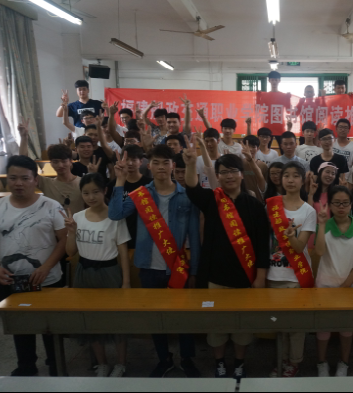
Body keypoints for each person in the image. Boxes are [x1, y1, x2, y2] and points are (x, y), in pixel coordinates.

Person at [108, 145, 202, 378]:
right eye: (156, 163)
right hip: (148, 267)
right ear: (149, 166)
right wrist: (120, 180)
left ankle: (187, 359)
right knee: (155, 317)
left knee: (184, 317)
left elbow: (194, 236)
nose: (161, 167)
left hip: (178, 266)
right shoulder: (141, 194)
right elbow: (115, 214)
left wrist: (194, 271)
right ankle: (163, 359)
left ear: (173, 166)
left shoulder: (185, 195)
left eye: (165, 162)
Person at [183, 139, 270, 381]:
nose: (229, 176)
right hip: (215, 277)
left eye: (233, 171)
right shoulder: (212, 200)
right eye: (223, 172)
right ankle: (220, 363)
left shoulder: (254, 206)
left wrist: (260, 277)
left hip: (245, 278)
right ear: (218, 176)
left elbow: (263, 244)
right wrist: (189, 164)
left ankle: (239, 363)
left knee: (242, 325)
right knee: (217, 325)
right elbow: (192, 189)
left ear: (241, 174)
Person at [0, 156, 67, 377]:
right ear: (7, 180)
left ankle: (56, 364)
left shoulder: (51, 206)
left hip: (47, 279)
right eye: (13, 178)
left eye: (24, 178)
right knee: (19, 326)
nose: (18, 183)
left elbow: (64, 240)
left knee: (51, 327)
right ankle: (26, 365)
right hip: (11, 280)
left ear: (35, 180)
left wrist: (46, 267)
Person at [62, 173, 131, 378]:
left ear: (105, 191)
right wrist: (72, 232)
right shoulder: (77, 217)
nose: (91, 197)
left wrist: (126, 282)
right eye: (86, 193)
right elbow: (70, 252)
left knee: (117, 321)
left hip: (109, 273)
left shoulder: (115, 217)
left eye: (95, 192)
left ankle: (121, 363)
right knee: (90, 321)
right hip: (84, 274)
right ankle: (102, 364)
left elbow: (123, 252)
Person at [266, 162, 316, 378]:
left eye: (296, 176)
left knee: (296, 325)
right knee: (278, 324)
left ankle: (294, 362)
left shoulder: (309, 211)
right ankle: (281, 360)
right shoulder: (270, 206)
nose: (290, 179)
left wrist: (291, 236)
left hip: (296, 277)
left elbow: (299, 247)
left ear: (302, 180)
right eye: (286, 175)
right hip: (273, 274)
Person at [314, 186, 353, 377]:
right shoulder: (324, 225)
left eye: (345, 203)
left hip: (351, 286)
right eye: (336, 203)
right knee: (323, 327)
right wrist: (322, 224)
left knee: (347, 327)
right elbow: (319, 252)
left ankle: (344, 363)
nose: (341, 207)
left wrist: (346, 285)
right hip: (325, 285)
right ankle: (321, 362)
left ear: (351, 204)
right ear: (329, 205)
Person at [18, 120, 84, 214]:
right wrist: (24, 137)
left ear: (71, 162)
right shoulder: (46, 183)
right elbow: (23, 165)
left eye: (64, 161)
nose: (60, 165)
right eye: (55, 162)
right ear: (51, 163)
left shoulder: (83, 182)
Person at [106, 145, 153, 249]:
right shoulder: (113, 185)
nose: (130, 163)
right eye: (126, 159)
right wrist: (120, 179)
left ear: (141, 161)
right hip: (119, 237)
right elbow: (113, 213)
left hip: (144, 236)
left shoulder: (149, 184)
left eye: (134, 160)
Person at [265, 71, 292, 144]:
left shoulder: (283, 96)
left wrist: (288, 99)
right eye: (272, 79)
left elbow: (288, 110)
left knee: (284, 147)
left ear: (279, 81)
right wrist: (258, 98)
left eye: (276, 80)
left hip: (279, 125)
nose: (274, 82)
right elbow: (257, 110)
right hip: (267, 126)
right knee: (264, 148)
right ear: (269, 80)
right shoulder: (264, 96)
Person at [240, 135, 268, 202]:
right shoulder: (239, 164)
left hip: (258, 200)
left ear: (258, 149)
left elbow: (265, 186)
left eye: (253, 147)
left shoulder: (263, 165)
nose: (250, 149)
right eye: (248, 146)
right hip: (242, 199)